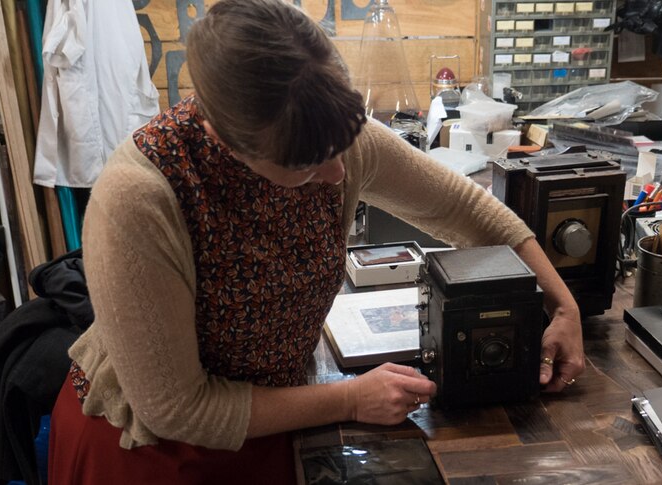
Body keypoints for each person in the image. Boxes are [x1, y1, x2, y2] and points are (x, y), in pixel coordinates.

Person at [47, 0, 585, 483]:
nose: (336, 174)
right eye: (305, 166)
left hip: (282, 425)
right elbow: (178, 409)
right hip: (152, 454)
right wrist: (349, 397)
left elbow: (465, 209)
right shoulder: (141, 200)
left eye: (342, 147)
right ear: (233, 147)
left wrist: (563, 303)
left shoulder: (327, 135)